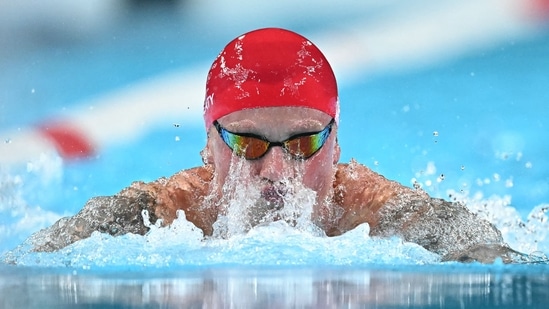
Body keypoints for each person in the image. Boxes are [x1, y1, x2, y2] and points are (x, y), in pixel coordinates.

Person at [19, 28, 525, 263]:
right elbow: (46, 250)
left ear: (337, 142)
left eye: (303, 142)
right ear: (208, 143)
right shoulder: (175, 212)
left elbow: (467, 237)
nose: (278, 171)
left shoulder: (362, 209)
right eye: (247, 143)